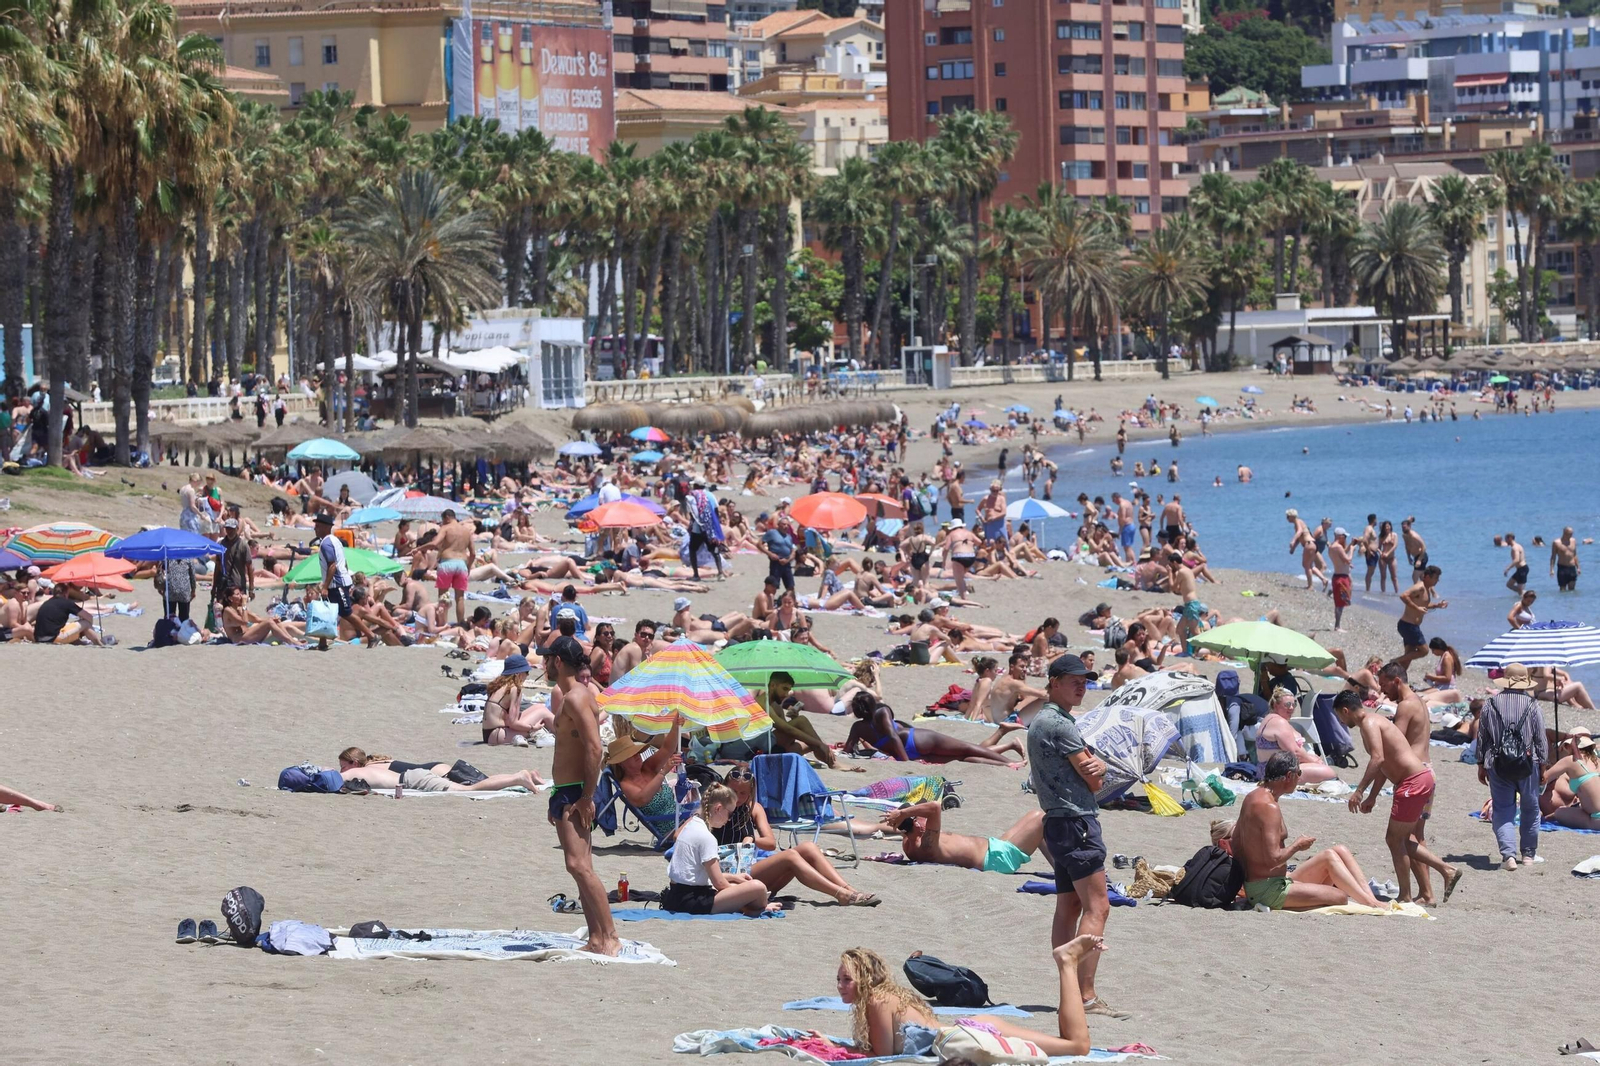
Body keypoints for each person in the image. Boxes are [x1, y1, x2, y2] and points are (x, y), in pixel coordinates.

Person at [1028, 655, 1126, 1020]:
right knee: (1098, 906)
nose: (1081, 685)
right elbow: (1095, 780)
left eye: (1084, 680)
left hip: (1058, 822)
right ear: (1053, 682)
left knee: (1068, 907)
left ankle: (1070, 990)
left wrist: (1093, 765)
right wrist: (1098, 765)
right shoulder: (1061, 726)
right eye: (1073, 680)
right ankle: (1084, 995)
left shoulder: (1041, 721)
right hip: (1077, 822)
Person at [835, 941, 1105, 1060]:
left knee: (1077, 1046)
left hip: (972, 1035)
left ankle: (1067, 964)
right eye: (840, 979)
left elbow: (881, 1056)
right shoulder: (889, 996)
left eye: (847, 979)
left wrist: (832, 1047)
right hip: (970, 1031)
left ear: (867, 980)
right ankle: (1067, 963)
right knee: (1069, 1044)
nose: (840, 986)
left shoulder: (878, 1000)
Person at [1335, 691, 1462, 905]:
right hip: (1417, 779)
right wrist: (1372, 796)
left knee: (1395, 839)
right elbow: (1385, 765)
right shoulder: (1374, 722)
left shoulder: (1370, 723)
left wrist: (1359, 791)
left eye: (1339, 716)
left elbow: (1377, 759)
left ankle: (1413, 891)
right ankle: (1444, 872)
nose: (1341, 721)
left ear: (1345, 711)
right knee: (1399, 839)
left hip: (1413, 781)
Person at [543, 635, 619, 955]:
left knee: (579, 865)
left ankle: (610, 937)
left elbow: (594, 748)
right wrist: (556, 796)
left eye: (549, 659)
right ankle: (596, 938)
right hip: (567, 790)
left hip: (577, 792)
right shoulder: (575, 695)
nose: (545, 664)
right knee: (579, 865)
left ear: (558, 661)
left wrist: (587, 797)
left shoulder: (576, 697)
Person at [1232, 752, 1382, 910]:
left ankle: (1370, 899)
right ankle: (1370, 903)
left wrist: (1247, 879)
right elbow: (1273, 859)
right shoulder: (1269, 807)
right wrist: (1297, 845)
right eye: (1299, 773)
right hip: (1268, 890)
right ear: (1289, 775)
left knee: (1338, 851)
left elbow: (1236, 840)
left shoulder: (1253, 796)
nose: (1300, 778)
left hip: (1273, 881)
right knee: (1340, 897)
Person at [716, 765, 877, 905]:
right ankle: (841, 895)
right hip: (727, 872)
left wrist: (753, 840)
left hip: (747, 869)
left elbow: (770, 842)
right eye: (733, 791)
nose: (737, 797)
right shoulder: (715, 808)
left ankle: (848, 889)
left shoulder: (753, 808)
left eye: (743, 793)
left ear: (751, 793)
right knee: (790, 857)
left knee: (808, 847)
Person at [663, 783, 779, 916]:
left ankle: (750, 906)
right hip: (692, 902)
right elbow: (719, 883)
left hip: (675, 896)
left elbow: (696, 875)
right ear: (718, 808)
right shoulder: (707, 837)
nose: (729, 819)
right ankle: (761, 907)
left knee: (738, 886)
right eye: (729, 813)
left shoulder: (691, 825)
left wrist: (734, 878)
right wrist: (741, 892)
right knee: (758, 887)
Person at [1477, 666, 1547, 870]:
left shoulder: (1490, 704)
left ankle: (1508, 856)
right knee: (1531, 809)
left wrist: (1481, 764)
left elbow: (1483, 737)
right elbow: (1540, 739)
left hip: (1497, 763)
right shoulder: (1532, 705)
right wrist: (1543, 766)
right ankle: (1528, 855)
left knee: (1503, 809)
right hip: (1528, 763)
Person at [843, 691, 1020, 766]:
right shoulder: (881, 711)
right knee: (967, 749)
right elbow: (893, 736)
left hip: (907, 753)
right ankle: (1008, 762)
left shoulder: (858, 727)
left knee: (961, 757)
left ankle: (1007, 760)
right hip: (916, 740)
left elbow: (848, 749)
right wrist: (905, 764)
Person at [881, 800, 1047, 874]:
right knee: (1042, 817)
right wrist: (902, 813)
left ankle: (1060, 869)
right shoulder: (926, 845)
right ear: (917, 824)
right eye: (920, 815)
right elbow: (935, 807)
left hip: (995, 847)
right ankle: (1068, 872)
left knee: (1033, 815)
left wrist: (900, 817)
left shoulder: (909, 840)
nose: (924, 814)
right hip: (997, 860)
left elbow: (902, 826)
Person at [313, 512, 374, 648]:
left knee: (347, 613)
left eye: (317, 526)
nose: (314, 528)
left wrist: (325, 587)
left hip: (337, 584)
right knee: (326, 612)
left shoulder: (326, 543)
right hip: (337, 583)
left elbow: (333, 565)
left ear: (324, 527)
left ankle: (371, 636)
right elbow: (343, 562)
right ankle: (322, 643)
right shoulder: (335, 540)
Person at [1254, 688, 1339, 784]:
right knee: (1329, 773)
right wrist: (1313, 760)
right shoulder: (1279, 722)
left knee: (1323, 770)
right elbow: (1295, 752)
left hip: (1267, 771)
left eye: (1293, 704)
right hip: (1276, 773)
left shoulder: (1270, 719)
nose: (1291, 708)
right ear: (1275, 705)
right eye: (1287, 704)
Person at [481, 654, 553, 745]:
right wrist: (533, 728)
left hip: (489, 733)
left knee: (539, 707)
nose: (527, 675)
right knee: (542, 712)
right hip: (499, 734)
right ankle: (563, 733)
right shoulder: (514, 688)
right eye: (526, 672)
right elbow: (513, 723)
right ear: (518, 674)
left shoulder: (498, 685)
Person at [1541, 727, 1600, 828]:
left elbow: (1543, 779)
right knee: (1564, 811)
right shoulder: (1597, 762)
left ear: (1569, 746)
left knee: (1559, 813)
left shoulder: (1570, 760)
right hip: (1592, 813)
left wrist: (1542, 767)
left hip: (1596, 819)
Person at [1395, 564, 1446, 669]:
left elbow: (1423, 605)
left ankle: (1398, 679)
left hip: (1410, 626)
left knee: (1408, 658)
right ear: (1427, 577)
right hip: (1408, 625)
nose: (1437, 581)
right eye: (1436, 578)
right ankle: (1394, 661)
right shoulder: (1420, 587)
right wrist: (1416, 608)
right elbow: (1403, 596)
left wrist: (1437, 605)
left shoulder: (1427, 589)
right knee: (1424, 651)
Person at [433, 508, 475, 626]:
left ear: (447, 517)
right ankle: (461, 623)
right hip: (461, 564)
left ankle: (442, 624)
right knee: (460, 598)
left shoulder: (445, 528)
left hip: (447, 563)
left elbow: (435, 543)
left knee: (443, 596)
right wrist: (469, 566)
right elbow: (473, 553)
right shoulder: (466, 531)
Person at [1328, 527, 1353, 631]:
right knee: (1340, 603)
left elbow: (1341, 556)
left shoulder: (1332, 547)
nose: (1345, 539)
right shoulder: (1338, 547)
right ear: (1341, 537)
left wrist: (1351, 544)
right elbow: (1347, 559)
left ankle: (1337, 625)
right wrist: (1352, 550)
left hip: (1338, 576)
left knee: (1340, 602)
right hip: (1341, 578)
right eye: (1345, 537)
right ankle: (1337, 626)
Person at [1551, 526, 1581, 591]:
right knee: (1562, 589)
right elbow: (1553, 556)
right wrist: (1552, 569)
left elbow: (1575, 555)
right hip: (1562, 568)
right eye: (1570, 533)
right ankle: (1562, 601)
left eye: (1572, 533)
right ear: (1564, 533)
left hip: (1572, 567)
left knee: (1572, 590)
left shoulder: (1573, 541)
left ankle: (1571, 601)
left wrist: (1578, 567)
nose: (1571, 535)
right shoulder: (1556, 542)